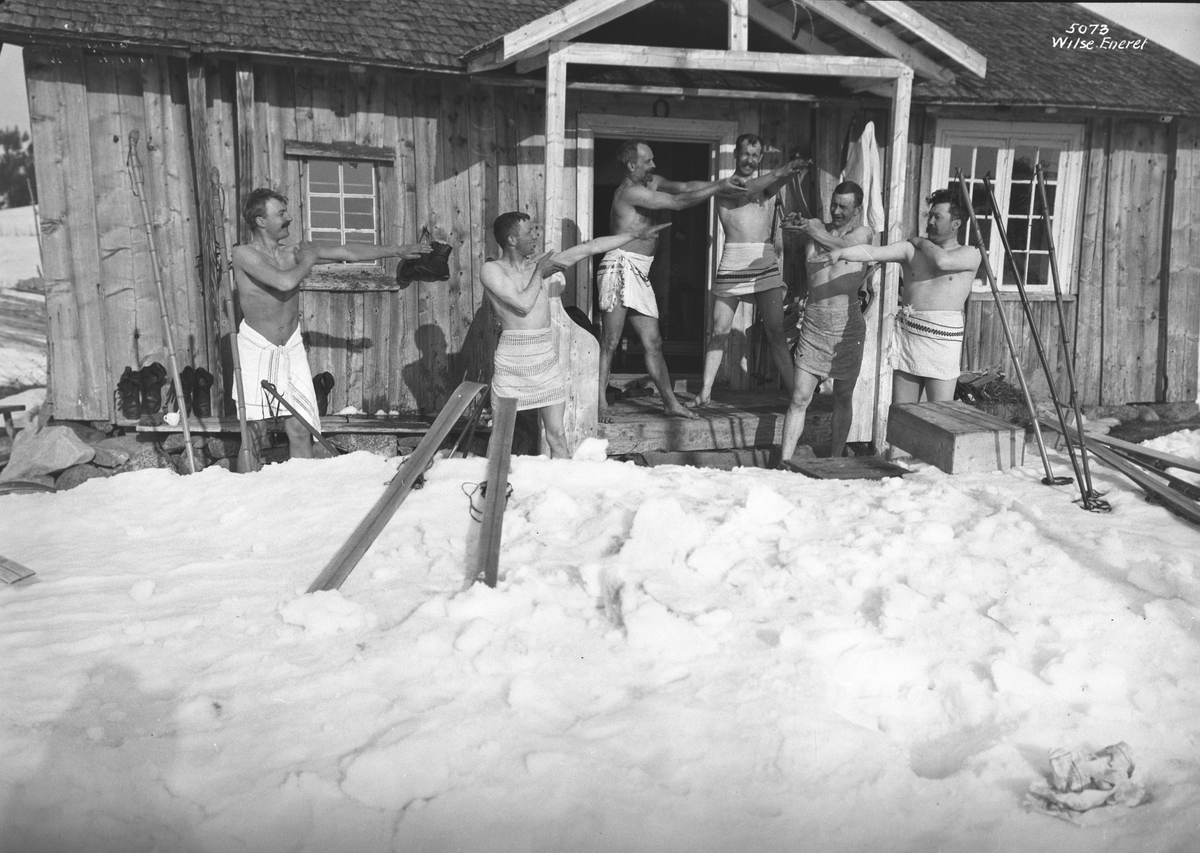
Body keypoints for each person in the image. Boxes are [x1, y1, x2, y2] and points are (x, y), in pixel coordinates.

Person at [231, 188, 431, 464]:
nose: (289, 218)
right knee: (254, 434)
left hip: (291, 347)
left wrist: (397, 250)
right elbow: (284, 282)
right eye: (281, 213)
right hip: (257, 347)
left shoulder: (294, 252)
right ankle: (246, 499)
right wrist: (309, 261)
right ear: (260, 221)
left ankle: (301, 494)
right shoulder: (243, 254)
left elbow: (347, 251)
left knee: (302, 429)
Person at [482, 212, 668, 458]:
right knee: (502, 435)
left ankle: (563, 489)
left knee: (557, 435)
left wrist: (632, 235)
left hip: (543, 356)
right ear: (512, 240)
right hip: (512, 358)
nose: (536, 235)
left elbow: (588, 248)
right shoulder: (492, 270)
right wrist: (540, 272)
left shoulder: (539, 263)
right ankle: (492, 489)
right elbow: (522, 304)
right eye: (529, 232)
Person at [598, 139, 746, 423]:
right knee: (610, 341)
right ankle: (600, 404)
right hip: (620, 267)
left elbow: (685, 188)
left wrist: (721, 182)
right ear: (632, 165)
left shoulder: (651, 182)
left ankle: (670, 403)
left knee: (653, 341)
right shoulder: (628, 193)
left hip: (639, 271)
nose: (654, 165)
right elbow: (677, 203)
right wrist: (718, 187)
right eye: (648, 160)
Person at [811, 188, 981, 406]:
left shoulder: (970, 253)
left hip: (943, 342)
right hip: (910, 337)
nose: (930, 221)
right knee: (903, 411)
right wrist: (840, 253)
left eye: (937, 217)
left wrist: (921, 241)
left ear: (956, 224)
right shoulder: (910, 251)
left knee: (940, 413)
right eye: (930, 215)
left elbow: (943, 262)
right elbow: (871, 252)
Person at [688, 134, 808, 408]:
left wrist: (795, 170)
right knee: (719, 330)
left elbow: (777, 183)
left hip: (763, 261)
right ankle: (705, 392)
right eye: (746, 154)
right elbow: (748, 189)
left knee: (776, 332)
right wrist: (781, 171)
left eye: (755, 156)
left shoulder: (767, 188)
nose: (750, 160)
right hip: (733, 260)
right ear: (735, 154)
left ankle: (795, 396)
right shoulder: (726, 186)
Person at [778, 181, 874, 462]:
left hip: (847, 324)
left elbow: (843, 246)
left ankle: (835, 460)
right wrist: (796, 225)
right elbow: (793, 228)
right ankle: (784, 463)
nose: (836, 211)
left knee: (842, 397)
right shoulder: (817, 229)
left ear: (857, 210)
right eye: (833, 204)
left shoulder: (863, 233)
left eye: (844, 207)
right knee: (799, 398)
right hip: (814, 321)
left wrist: (813, 229)